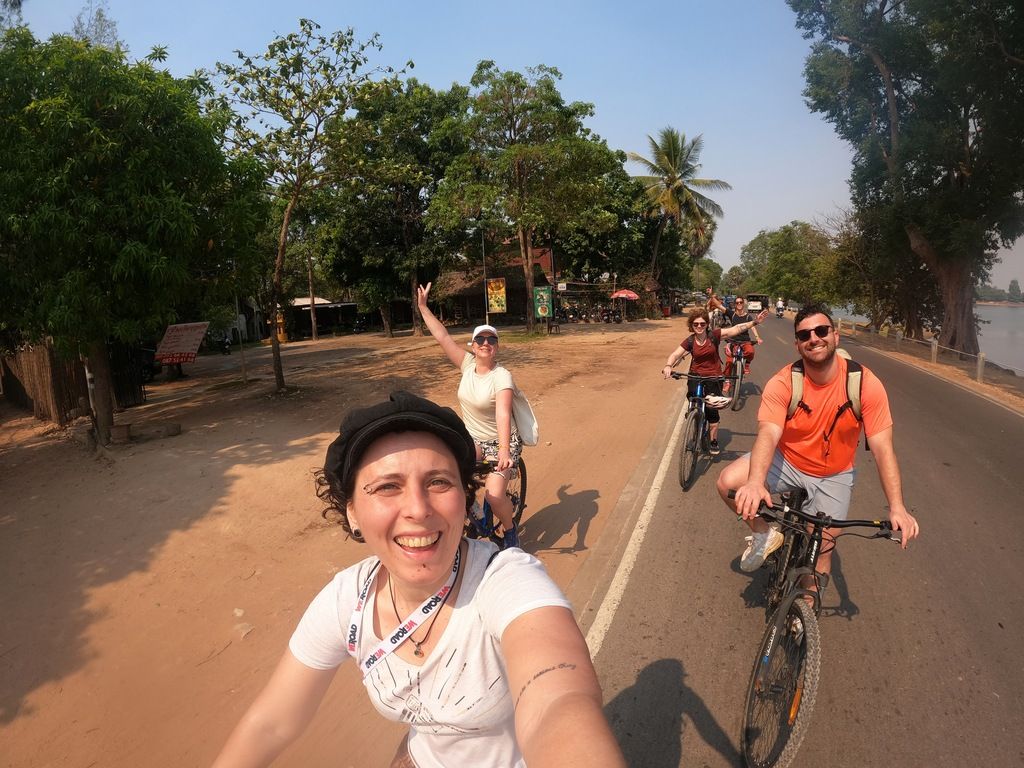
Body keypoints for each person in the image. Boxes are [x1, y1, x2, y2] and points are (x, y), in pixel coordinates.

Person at [211, 392, 626, 768]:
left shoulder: (506, 578)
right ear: (352, 512)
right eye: (387, 486)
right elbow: (270, 724)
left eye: (438, 482)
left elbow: (558, 702)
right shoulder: (348, 600)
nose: (417, 508)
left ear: (465, 498)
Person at [716, 303, 920, 581]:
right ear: (797, 345)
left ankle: (806, 606)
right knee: (728, 482)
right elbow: (769, 433)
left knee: (822, 549)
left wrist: (897, 507)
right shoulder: (784, 382)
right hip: (786, 460)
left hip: (833, 473)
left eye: (821, 330)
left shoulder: (864, 384)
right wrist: (754, 483)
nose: (814, 338)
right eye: (804, 335)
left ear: (835, 335)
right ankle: (764, 534)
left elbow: (883, 448)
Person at [417, 282, 521, 547]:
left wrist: (505, 453)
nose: (486, 343)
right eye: (481, 340)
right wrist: (423, 307)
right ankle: (477, 515)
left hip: (502, 440)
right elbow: (442, 337)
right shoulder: (466, 365)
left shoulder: (502, 376)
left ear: (496, 347)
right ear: (473, 346)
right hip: (474, 439)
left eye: (492, 340)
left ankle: (509, 531)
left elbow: (503, 415)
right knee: (453, 479)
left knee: (496, 496)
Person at [662, 306, 769, 455]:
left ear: (707, 324)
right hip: (695, 375)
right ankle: (694, 414)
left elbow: (735, 329)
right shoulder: (690, 341)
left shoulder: (714, 335)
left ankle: (713, 440)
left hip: (714, 377)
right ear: (691, 326)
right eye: (696, 324)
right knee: (692, 397)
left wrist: (755, 322)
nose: (699, 327)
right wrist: (668, 365)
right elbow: (675, 354)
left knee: (712, 410)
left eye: (702, 324)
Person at [722, 296, 763, 395]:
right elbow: (720, 307)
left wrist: (757, 337)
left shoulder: (748, 317)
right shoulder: (732, 314)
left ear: (743, 304)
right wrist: (711, 295)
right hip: (733, 341)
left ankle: (747, 365)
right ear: (735, 304)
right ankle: (727, 381)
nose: (739, 304)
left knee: (750, 351)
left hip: (745, 341)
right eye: (737, 302)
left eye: (741, 302)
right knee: (729, 362)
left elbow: (752, 326)